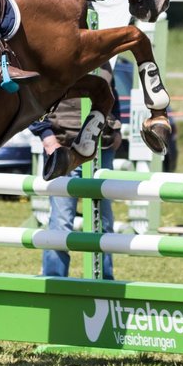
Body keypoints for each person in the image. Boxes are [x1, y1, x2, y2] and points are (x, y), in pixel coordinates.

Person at [31, 64, 123, 280]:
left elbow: (111, 91)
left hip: (102, 146)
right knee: (61, 221)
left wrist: (117, 128)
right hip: (63, 145)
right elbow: (32, 96)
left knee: (104, 221)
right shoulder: (53, 50)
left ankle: (105, 281)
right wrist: (46, 136)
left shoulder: (106, 54)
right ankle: (55, 280)